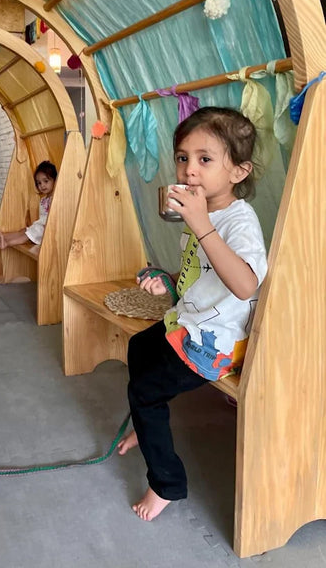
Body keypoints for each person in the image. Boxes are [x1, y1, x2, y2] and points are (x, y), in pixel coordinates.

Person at [118, 107, 267, 522]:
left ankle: (167, 484)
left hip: (213, 343)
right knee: (138, 345)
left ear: (238, 171)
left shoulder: (239, 221)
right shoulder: (200, 213)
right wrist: (165, 279)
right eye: (183, 157)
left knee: (146, 391)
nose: (189, 169)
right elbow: (199, 278)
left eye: (205, 159)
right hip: (190, 323)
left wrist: (201, 225)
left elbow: (244, 285)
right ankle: (148, 426)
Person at [0, 160, 57, 249]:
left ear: (55, 181)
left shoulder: (56, 199)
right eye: (39, 183)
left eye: (46, 181)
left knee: (27, 234)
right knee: (24, 230)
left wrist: (37, 226)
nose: (42, 185)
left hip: (47, 229)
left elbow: (51, 219)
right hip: (40, 226)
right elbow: (42, 217)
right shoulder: (43, 200)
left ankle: (7, 243)